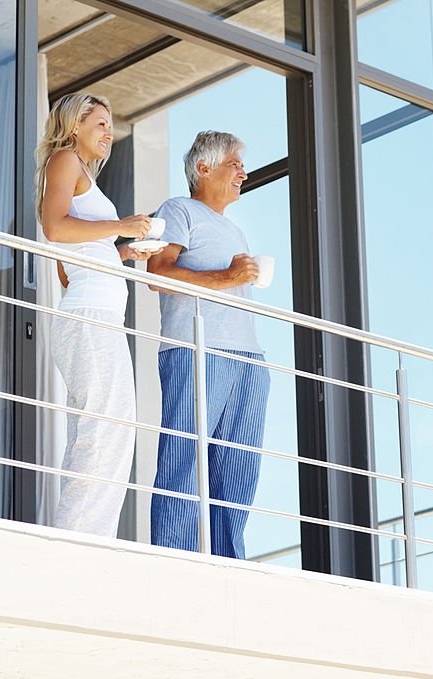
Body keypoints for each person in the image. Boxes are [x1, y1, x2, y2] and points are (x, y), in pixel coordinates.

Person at [36, 93, 161, 536]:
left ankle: (87, 538)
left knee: (111, 430)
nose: (109, 132)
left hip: (94, 315)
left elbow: (66, 262)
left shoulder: (80, 175)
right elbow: (54, 229)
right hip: (89, 318)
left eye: (110, 125)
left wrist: (120, 252)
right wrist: (120, 227)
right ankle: (78, 541)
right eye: (101, 123)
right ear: (75, 127)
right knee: (103, 430)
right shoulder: (65, 159)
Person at [147, 130, 270, 559]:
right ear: (204, 167)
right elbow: (157, 273)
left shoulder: (234, 229)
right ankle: (173, 560)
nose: (243, 172)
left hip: (248, 358)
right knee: (183, 459)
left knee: (238, 471)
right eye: (234, 164)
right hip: (196, 351)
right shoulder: (178, 210)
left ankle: (227, 565)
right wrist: (226, 279)